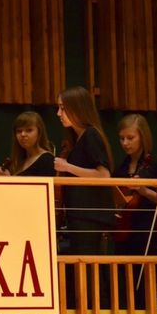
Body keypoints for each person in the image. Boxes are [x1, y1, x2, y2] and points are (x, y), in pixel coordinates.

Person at [54, 86, 115, 255]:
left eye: (63, 108)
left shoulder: (91, 135)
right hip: (80, 217)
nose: (58, 113)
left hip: (90, 219)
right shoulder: (78, 138)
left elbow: (104, 175)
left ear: (78, 108)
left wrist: (67, 167)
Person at [113, 114, 157, 255]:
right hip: (124, 233)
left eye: (130, 138)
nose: (125, 143)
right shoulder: (120, 168)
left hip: (148, 231)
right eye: (122, 138)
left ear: (142, 137)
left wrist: (144, 191)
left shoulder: (156, 165)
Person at [0, 111, 55, 177]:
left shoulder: (47, 160)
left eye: (29, 130)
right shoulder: (18, 160)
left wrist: (9, 180)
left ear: (39, 133)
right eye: (19, 131)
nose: (23, 134)